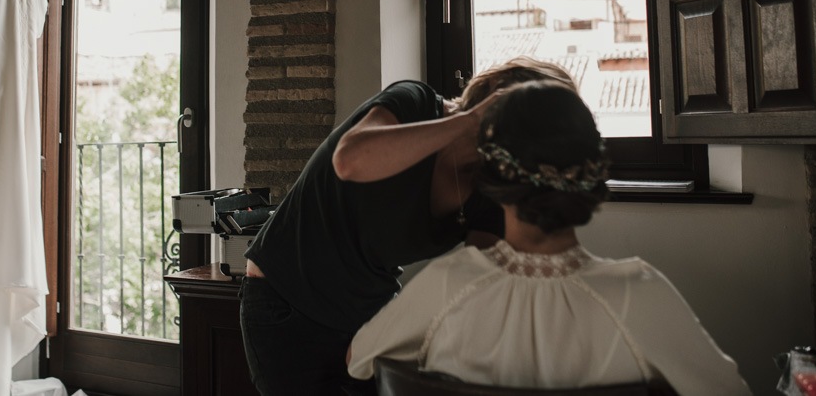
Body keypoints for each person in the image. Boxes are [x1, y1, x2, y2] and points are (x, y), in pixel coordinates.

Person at [347, 80, 752, 396]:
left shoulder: (447, 284)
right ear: (591, 173)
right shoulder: (637, 294)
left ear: (491, 175)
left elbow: (357, 360)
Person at [240, 57, 576, 395]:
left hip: (365, 316)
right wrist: (471, 121)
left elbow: (480, 277)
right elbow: (350, 161)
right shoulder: (413, 102)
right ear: (492, 90)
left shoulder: (490, 190)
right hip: (286, 306)